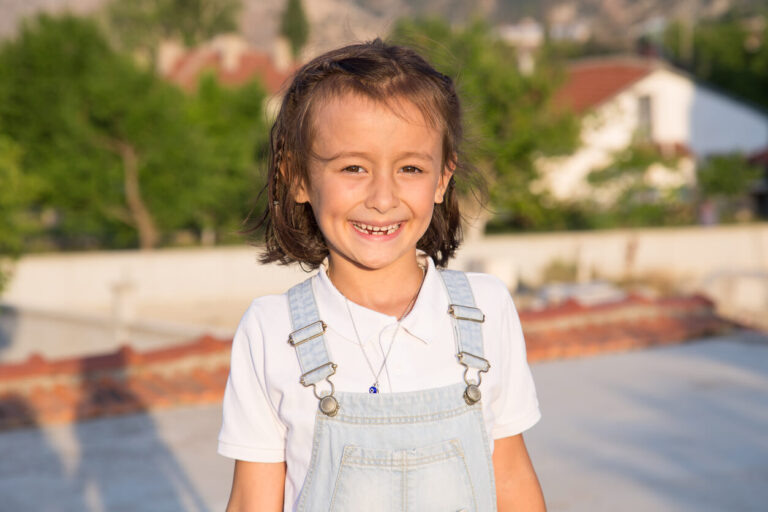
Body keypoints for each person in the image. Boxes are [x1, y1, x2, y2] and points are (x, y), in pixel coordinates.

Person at [218, 39, 545, 512]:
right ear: (298, 178)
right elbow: (253, 500)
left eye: (410, 168)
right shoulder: (271, 330)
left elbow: (511, 475)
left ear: (441, 180)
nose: (382, 197)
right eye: (354, 167)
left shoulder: (486, 310)